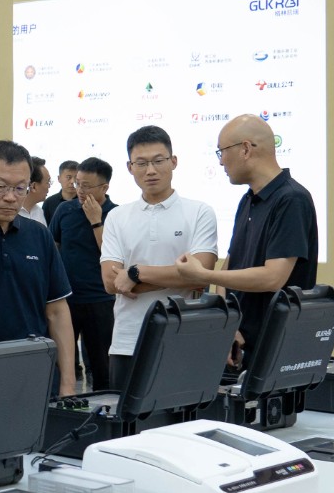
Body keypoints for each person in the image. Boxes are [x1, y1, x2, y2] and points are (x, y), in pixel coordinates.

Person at [175, 113, 318, 367]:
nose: (221, 162)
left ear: (245, 149)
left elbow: (273, 278)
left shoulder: (291, 199)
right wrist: (231, 325)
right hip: (242, 346)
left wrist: (203, 275)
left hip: (277, 349)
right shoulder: (248, 200)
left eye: (222, 152)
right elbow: (229, 268)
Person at [0, 140, 76, 396]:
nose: (11, 197)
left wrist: (68, 383)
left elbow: (57, 312)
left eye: (20, 188)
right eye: (0, 187)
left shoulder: (38, 235)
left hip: (37, 374)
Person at [101, 126, 219, 393]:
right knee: (127, 417)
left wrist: (135, 273)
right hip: (128, 342)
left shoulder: (199, 212)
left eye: (158, 160)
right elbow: (110, 282)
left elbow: (201, 273)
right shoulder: (117, 216)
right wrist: (179, 277)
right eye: (141, 163)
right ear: (130, 167)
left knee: (181, 417)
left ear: (173, 161)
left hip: (183, 339)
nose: (150, 170)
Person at [50, 156, 117, 389]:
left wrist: (96, 221)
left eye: (86, 185)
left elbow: (112, 255)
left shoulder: (116, 214)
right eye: (77, 183)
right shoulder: (64, 209)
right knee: (61, 364)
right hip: (66, 300)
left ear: (104, 188)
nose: (79, 190)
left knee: (102, 366)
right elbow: (53, 247)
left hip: (100, 299)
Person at [20, 157, 50, 225]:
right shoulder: (10, 212)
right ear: (34, 186)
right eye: (48, 182)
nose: (49, 186)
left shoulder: (39, 212)